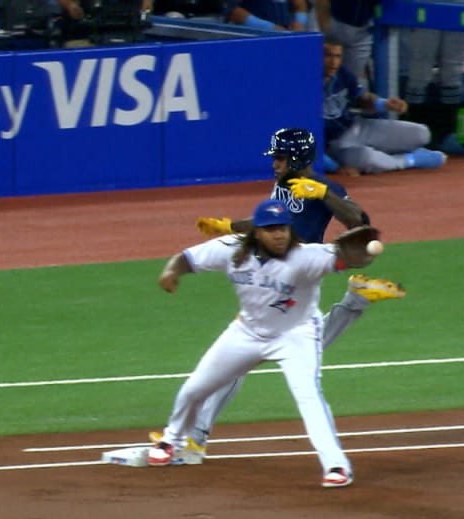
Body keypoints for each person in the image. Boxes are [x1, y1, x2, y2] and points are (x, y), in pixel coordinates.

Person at [149, 127, 404, 462]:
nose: (275, 163)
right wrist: (231, 228)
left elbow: (360, 221)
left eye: (281, 157)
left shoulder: (323, 188)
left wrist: (323, 191)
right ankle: (355, 301)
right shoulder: (283, 186)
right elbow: (269, 225)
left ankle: (196, 436)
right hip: (274, 275)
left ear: (298, 158)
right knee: (261, 351)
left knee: (263, 349)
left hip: (300, 275)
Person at [149, 197, 377, 488]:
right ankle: (172, 440)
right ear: (256, 232)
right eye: (271, 229)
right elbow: (187, 259)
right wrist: (170, 272)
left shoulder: (307, 256)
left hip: (296, 335)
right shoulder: (232, 250)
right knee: (196, 387)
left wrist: (358, 256)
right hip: (247, 333)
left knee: (309, 397)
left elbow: (342, 258)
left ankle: (336, 466)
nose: (279, 234)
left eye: (283, 227)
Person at [322, 34, 447, 176]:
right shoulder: (302, 86)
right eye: (328, 56)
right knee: (369, 159)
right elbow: (304, 143)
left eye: (338, 56)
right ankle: (410, 159)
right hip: (333, 147)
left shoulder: (342, 74)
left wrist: (385, 104)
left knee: (422, 133)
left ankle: (389, 155)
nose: (333, 62)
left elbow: (362, 98)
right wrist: (334, 168)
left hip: (356, 127)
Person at [401, 0, 464, 149]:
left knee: (452, 70)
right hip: (425, 5)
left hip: (459, 5)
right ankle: (414, 132)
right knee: (420, 69)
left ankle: (447, 133)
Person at [313, 0, 378, 85]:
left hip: (362, 32)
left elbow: (379, 5)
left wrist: (376, 18)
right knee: (318, 75)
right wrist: (323, 20)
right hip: (333, 22)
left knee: (351, 82)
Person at [226, 0, 309, 31]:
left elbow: (299, 4)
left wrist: (299, 22)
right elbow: (233, 11)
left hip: (285, 37)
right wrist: (270, 28)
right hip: (253, 38)